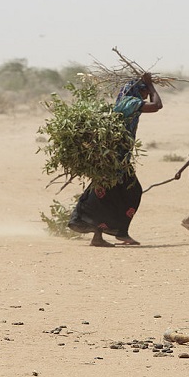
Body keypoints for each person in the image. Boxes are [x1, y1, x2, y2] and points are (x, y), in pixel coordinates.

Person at [68, 72, 162, 247]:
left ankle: (110, 234)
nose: (146, 95)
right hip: (116, 159)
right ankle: (115, 233)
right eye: (143, 91)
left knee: (106, 194)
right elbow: (157, 105)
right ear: (138, 91)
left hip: (117, 157)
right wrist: (150, 84)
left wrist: (146, 85)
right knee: (128, 192)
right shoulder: (130, 103)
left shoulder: (126, 102)